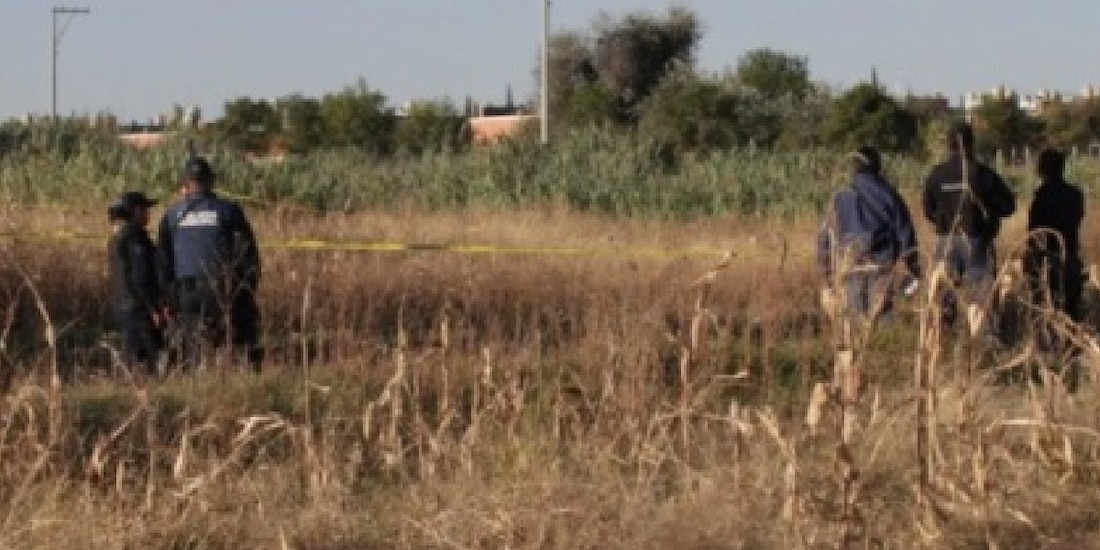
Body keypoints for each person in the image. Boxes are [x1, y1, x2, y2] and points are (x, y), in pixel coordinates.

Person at [158, 156, 262, 371]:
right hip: (221, 288)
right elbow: (247, 253)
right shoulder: (229, 211)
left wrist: (168, 298)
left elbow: (163, 262)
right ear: (211, 182)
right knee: (239, 335)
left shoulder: (171, 216)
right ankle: (246, 372)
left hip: (186, 292)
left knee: (190, 346)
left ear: (185, 184)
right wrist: (247, 288)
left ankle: (191, 379)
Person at [922, 122, 1015, 325]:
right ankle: (978, 346)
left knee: (944, 296)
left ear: (949, 144)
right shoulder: (985, 175)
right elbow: (1008, 206)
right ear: (972, 144)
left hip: (945, 242)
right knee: (980, 300)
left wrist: (944, 220)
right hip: (978, 243)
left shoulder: (936, 175)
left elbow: (928, 210)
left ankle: (943, 339)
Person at [818, 146, 922, 320]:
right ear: (877, 166)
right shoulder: (889, 194)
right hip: (881, 267)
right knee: (882, 317)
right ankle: (882, 345)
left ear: (855, 167)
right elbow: (905, 232)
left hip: (850, 266)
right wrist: (914, 268)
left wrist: (826, 271)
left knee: (855, 321)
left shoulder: (841, 195)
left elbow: (825, 236)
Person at [1024, 148, 1085, 322]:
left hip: (1045, 257)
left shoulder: (1041, 196)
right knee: (1071, 307)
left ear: (1042, 169)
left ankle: (1046, 344)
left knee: (1043, 304)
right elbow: (1077, 220)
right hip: (1069, 254)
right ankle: (1072, 344)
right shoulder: (1075, 195)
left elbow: (1034, 231)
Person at [107, 191, 164, 376]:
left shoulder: (117, 238)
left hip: (122, 305)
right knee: (154, 358)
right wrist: (153, 308)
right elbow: (141, 277)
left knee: (132, 358)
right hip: (138, 308)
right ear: (133, 211)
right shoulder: (134, 237)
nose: (148, 213)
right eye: (144, 209)